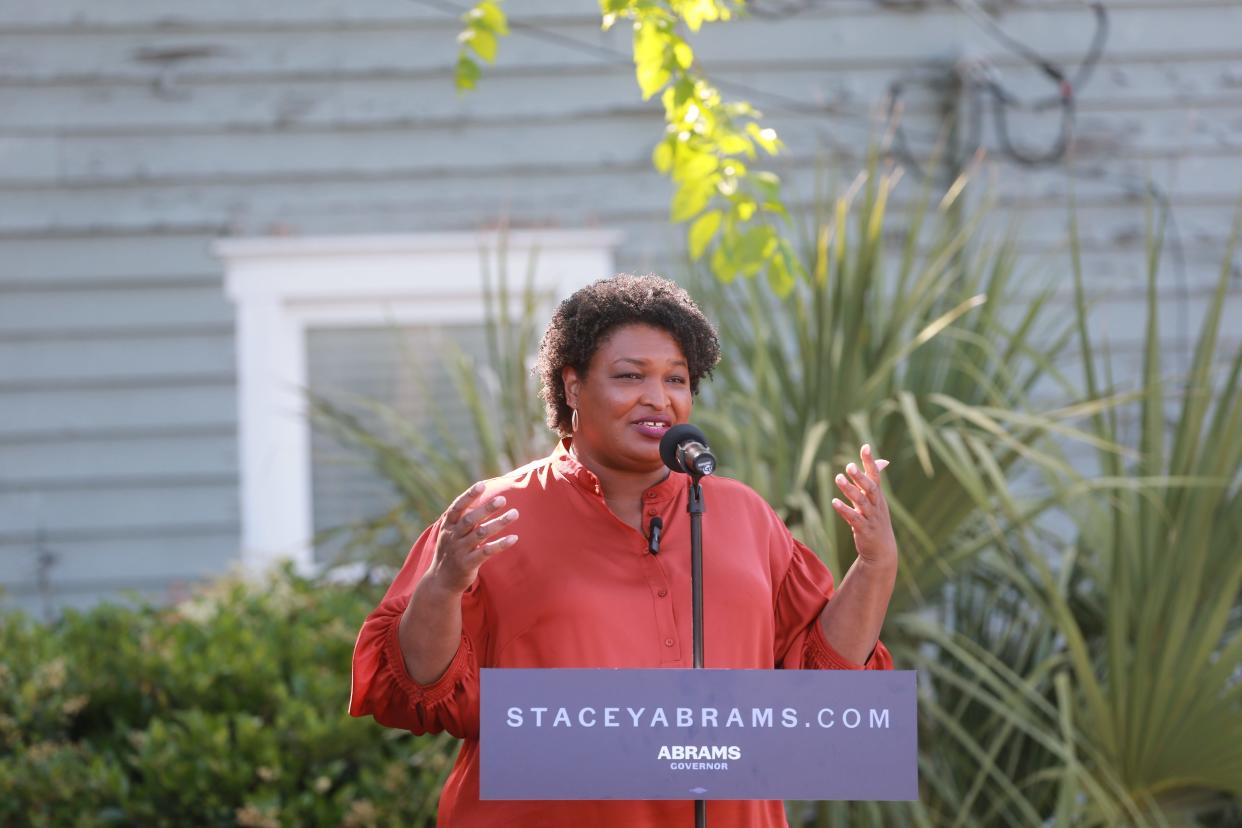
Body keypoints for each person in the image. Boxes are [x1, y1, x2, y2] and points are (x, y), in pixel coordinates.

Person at [349, 274, 898, 826]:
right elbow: (417, 690)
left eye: (676, 379)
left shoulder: (742, 514)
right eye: (630, 376)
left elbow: (820, 685)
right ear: (571, 387)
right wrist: (443, 586)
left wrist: (875, 565)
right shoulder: (493, 513)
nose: (658, 398)